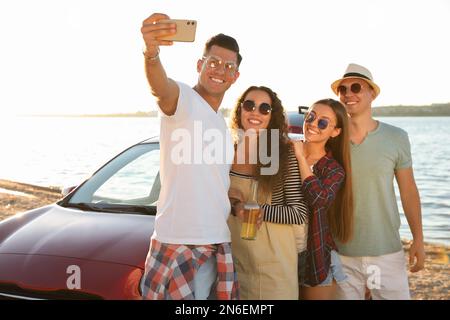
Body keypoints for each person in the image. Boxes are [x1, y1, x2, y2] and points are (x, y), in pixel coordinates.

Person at [139, 13, 242, 300]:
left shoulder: (221, 122)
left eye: (228, 66)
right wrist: (151, 53)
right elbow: (161, 88)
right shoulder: (183, 100)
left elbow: (210, 178)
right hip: (179, 241)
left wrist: (233, 200)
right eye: (213, 62)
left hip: (218, 240)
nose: (219, 69)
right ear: (200, 65)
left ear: (235, 76)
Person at [330, 63, 425, 300]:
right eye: (343, 89)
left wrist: (419, 239)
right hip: (341, 254)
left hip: (386, 253)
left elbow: (409, 192)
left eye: (355, 87)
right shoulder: (331, 139)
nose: (348, 94)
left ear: (372, 93)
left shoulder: (396, 138)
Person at [227, 86, 309, 299]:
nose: (255, 112)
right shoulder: (227, 152)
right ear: (239, 111)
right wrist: (236, 206)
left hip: (275, 268)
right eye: (249, 105)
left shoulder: (283, 154)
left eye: (265, 108)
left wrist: (257, 209)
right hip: (233, 263)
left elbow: (298, 213)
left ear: (272, 116)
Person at [291, 99, 353, 300]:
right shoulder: (286, 154)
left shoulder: (334, 170)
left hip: (315, 255)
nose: (313, 123)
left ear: (335, 132)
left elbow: (318, 198)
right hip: (282, 252)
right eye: (310, 116)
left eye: (323, 122)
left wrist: (301, 159)